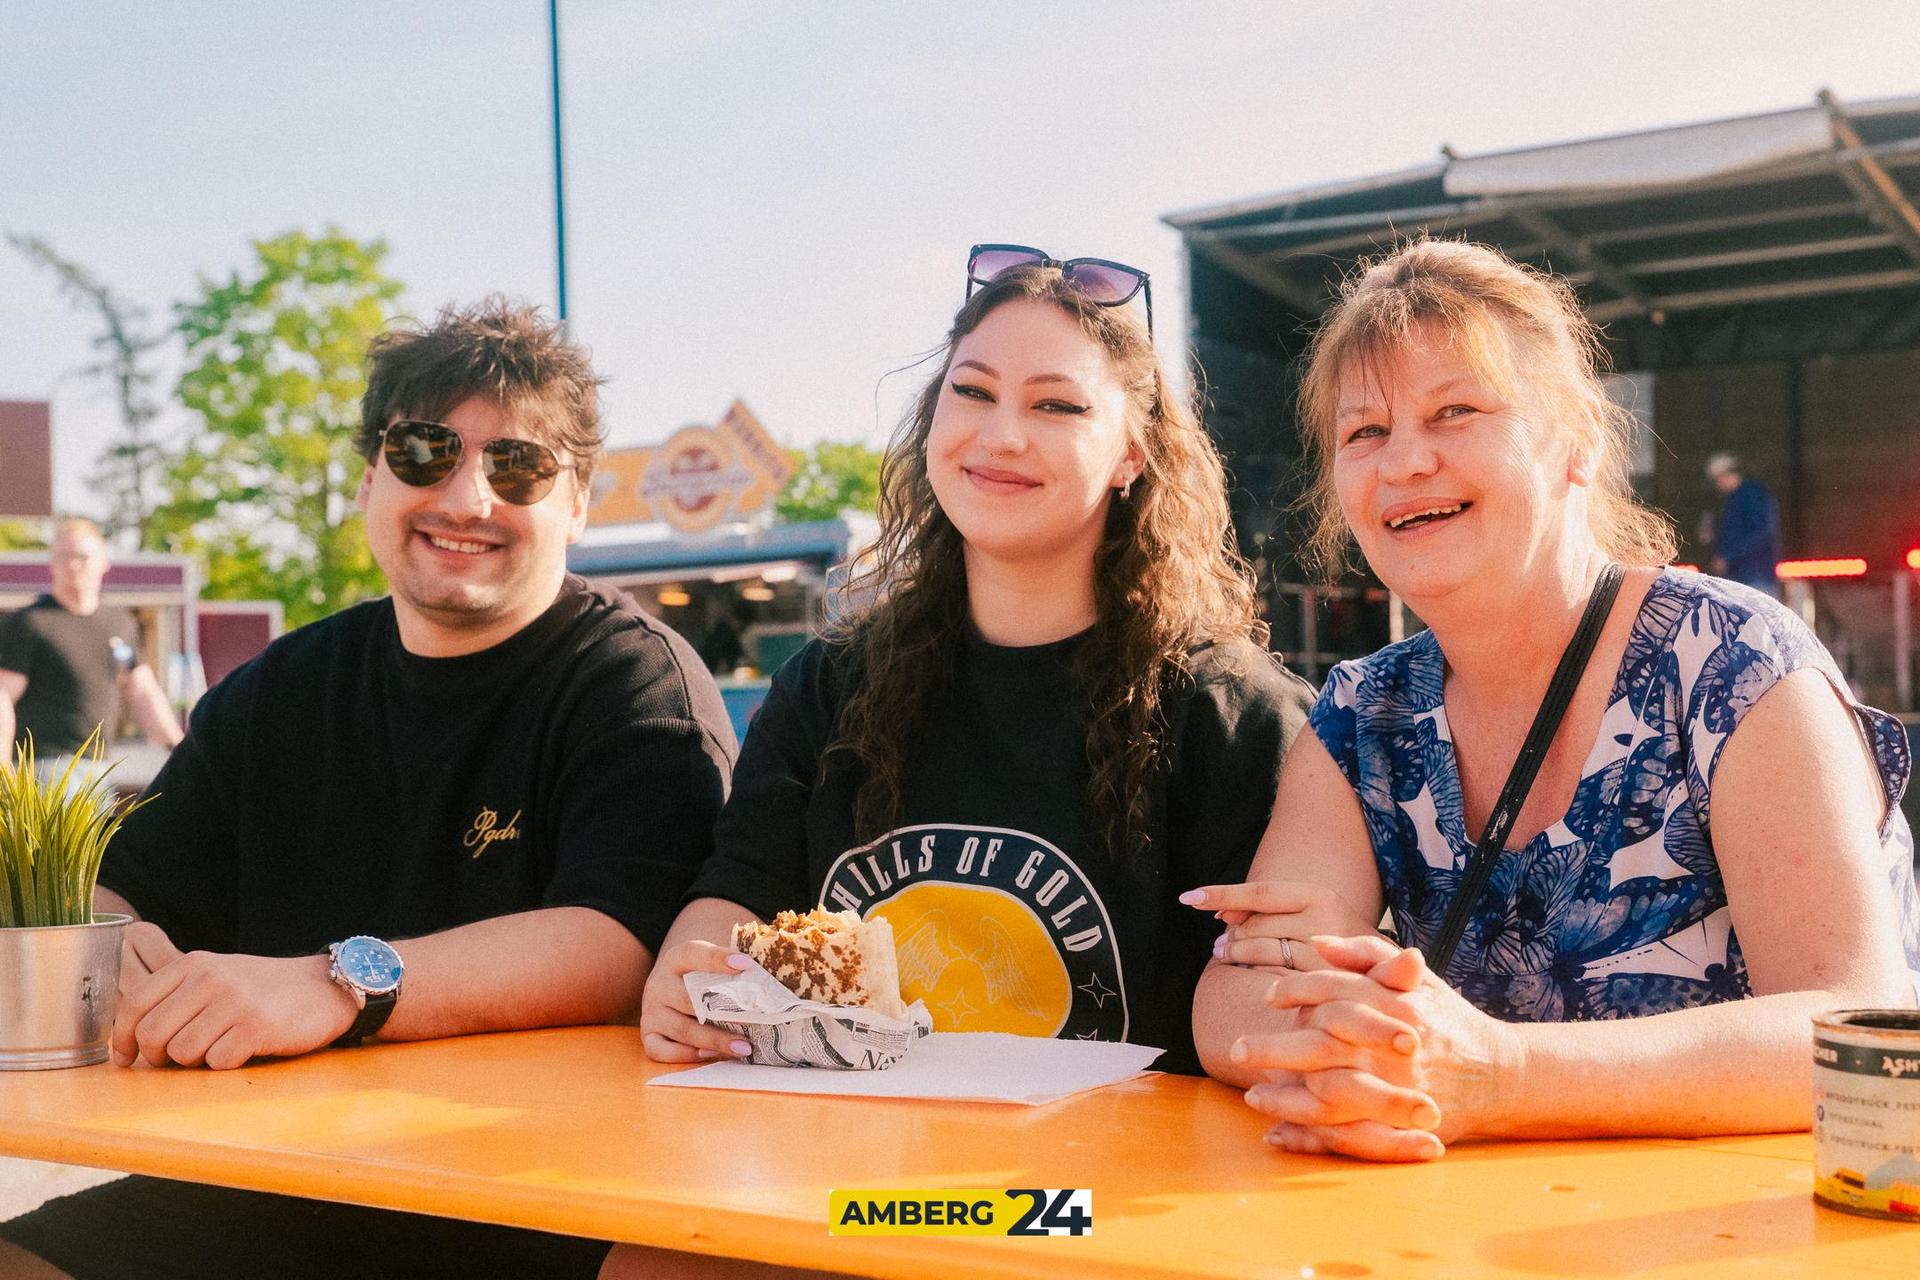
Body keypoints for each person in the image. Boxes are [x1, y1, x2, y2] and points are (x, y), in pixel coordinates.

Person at [0, 301, 736, 1280]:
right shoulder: (283, 685)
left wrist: (332, 985)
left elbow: (620, 937)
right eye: (426, 450)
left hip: (550, 1200)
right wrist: (120, 949)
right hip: (280, 1185)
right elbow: (130, 883)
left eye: (518, 465)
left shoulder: (636, 679)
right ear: (369, 477)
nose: (467, 496)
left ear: (579, 503)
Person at [1189, 239, 1920, 1163]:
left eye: (1454, 411)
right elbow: (1233, 1001)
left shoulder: (1734, 662)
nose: (1405, 460)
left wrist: (1501, 1076)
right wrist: (1367, 1049)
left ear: (1575, 443)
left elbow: (1853, 1027)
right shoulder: (1362, 714)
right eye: (1363, 432)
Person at [636, 249, 1313, 1078]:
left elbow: (1280, 993)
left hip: (1097, 1201)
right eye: (973, 391)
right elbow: (737, 891)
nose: (1001, 436)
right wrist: (690, 974)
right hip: (866, 1197)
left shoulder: (1231, 713)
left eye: (1057, 404)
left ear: (1133, 455)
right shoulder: (827, 687)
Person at [0, 516, 184, 777]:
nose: (73, 565)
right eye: (64, 557)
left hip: (99, 770)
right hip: (43, 767)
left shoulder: (120, 624)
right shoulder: (30, 623)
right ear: (52, 564)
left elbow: (143, 691)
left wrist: (181, 748)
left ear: (103, 562)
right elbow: (3, 695)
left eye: (82, 557)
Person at [1706, 452, 1782, 597]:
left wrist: (1728, 556)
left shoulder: (1749, 496)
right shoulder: (1735, 499)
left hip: (1754, 575)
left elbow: (1760, 533)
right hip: (1747, 575)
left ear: (1723, 475)